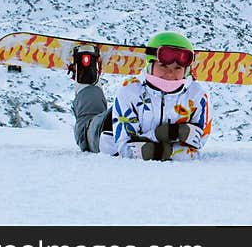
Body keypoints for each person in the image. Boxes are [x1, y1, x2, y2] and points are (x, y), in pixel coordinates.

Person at [70, 31, 211, 161]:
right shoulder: (130, 90)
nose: (170, 73)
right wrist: (162, 139)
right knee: (89, 107)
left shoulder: (197, 97)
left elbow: (196, 147)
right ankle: (85, 69)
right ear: (150, 64)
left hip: (136, 119)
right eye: (163, 66)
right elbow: (124, 147)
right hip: (102, 132)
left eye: (177, 68)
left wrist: (163, 143)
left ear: (186, 70)